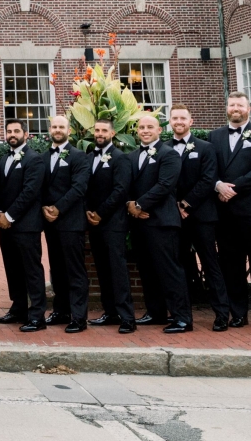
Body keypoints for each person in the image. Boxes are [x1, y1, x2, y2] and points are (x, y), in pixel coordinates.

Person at [209, 92, 251, 331]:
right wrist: (217, 185)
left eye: (240, 104)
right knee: (231, 266)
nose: (235, 108)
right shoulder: (214, 136)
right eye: (231, 104)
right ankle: (238, 313)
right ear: (226, 107)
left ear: (248, 109)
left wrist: (232, 188)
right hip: (225, 212)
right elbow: (208, 169)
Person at [125, 115, 191, 334]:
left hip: (162, 221)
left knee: (169, 270)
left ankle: (182, 318)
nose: (145, 130)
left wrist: (141, 205)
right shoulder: (132, 156)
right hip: (139, 223)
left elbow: (165, 185)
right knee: (147, 270)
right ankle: (156, 312)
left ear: (159, 130)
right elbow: (127, 186)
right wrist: (130, 205)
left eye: (149, 127)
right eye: (141, 127)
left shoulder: (169, 154)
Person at [169, 104, 230, 331]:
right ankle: (182, 315)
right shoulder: (164, 148)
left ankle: (222, 314)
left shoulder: (205, 148)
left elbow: (208, 180)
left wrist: (186, 203)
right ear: (170, 121)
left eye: (183, 118)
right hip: (175, 217)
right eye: (175, 118)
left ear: (191, 121)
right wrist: (176, 206)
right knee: (180, 266)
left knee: (211, 264)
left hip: (202, 216)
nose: (179, 121)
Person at [0, 119, 46, 330]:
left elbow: (30, 192)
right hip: (5, 225)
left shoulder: (34, 160)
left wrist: (10, 215)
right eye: (9, 131)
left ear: (26, 134)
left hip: (26, 225)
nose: (12, 134)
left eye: (16, 131)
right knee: (12, 269)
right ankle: (18, 309)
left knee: (32, 271)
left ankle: (37, 316)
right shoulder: (4, 158)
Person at [84, 119, 136, 333]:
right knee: (102, 269)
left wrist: (100, 213)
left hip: (113, 222)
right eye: (97, 130)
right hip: (93, 222)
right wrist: (88, 211)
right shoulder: (88, 158)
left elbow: (120, 190)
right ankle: (110, 313)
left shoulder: (120, 158)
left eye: (104, 130)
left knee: (117, 269)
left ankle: (127, 318)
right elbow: (83, 187)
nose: (100, 133)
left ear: (112, 133)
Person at [41, 115, 92, 333]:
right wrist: (44, 207)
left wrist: (58, 208)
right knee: (57, 269)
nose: (58, 130)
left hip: (71, 221)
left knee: (75, 271)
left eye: (62, 127)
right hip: (50, 223)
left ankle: (79, 317)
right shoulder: (43, 157)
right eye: (54, 126)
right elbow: (38, 186)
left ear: (68, 131)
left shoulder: (80, 156)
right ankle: (61, 311)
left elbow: (79, 188)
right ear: (49, 130)